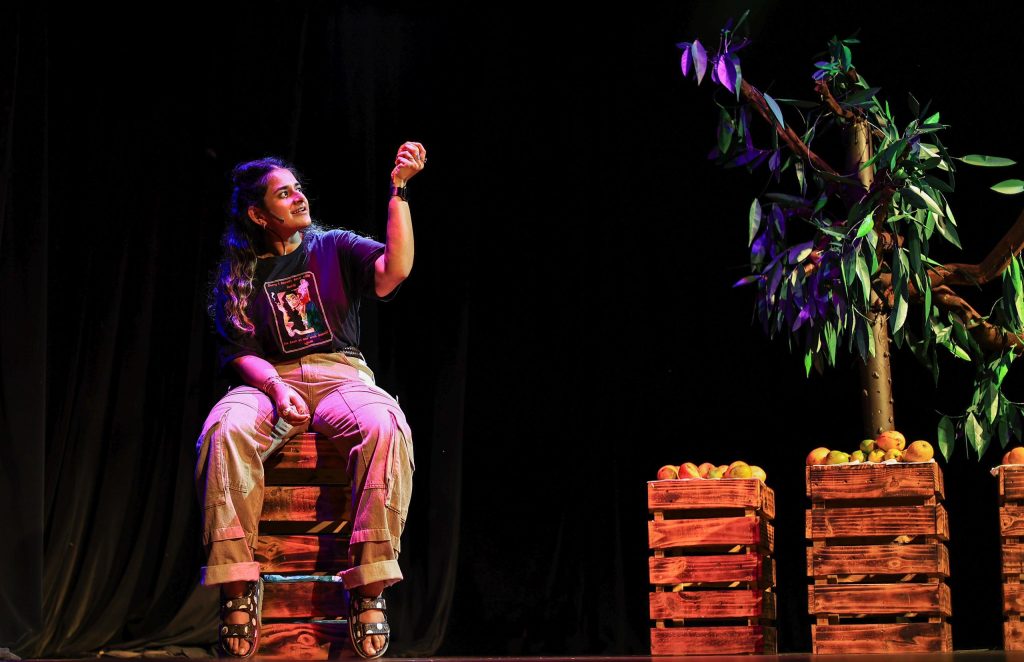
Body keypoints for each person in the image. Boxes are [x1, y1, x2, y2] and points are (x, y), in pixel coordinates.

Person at [194, 142, 425, 659]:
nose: (298, 197)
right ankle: (237, 589)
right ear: (258, 214)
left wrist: (400, 190)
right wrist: (276, 388)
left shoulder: (332, 246)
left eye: (297, 188)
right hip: (268, 380)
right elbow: (238, 353)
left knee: (386, 425)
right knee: (224, 430)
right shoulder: (240, 275)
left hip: (338, 373)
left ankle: (368, 590)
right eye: (284, 193)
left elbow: (395, 270)